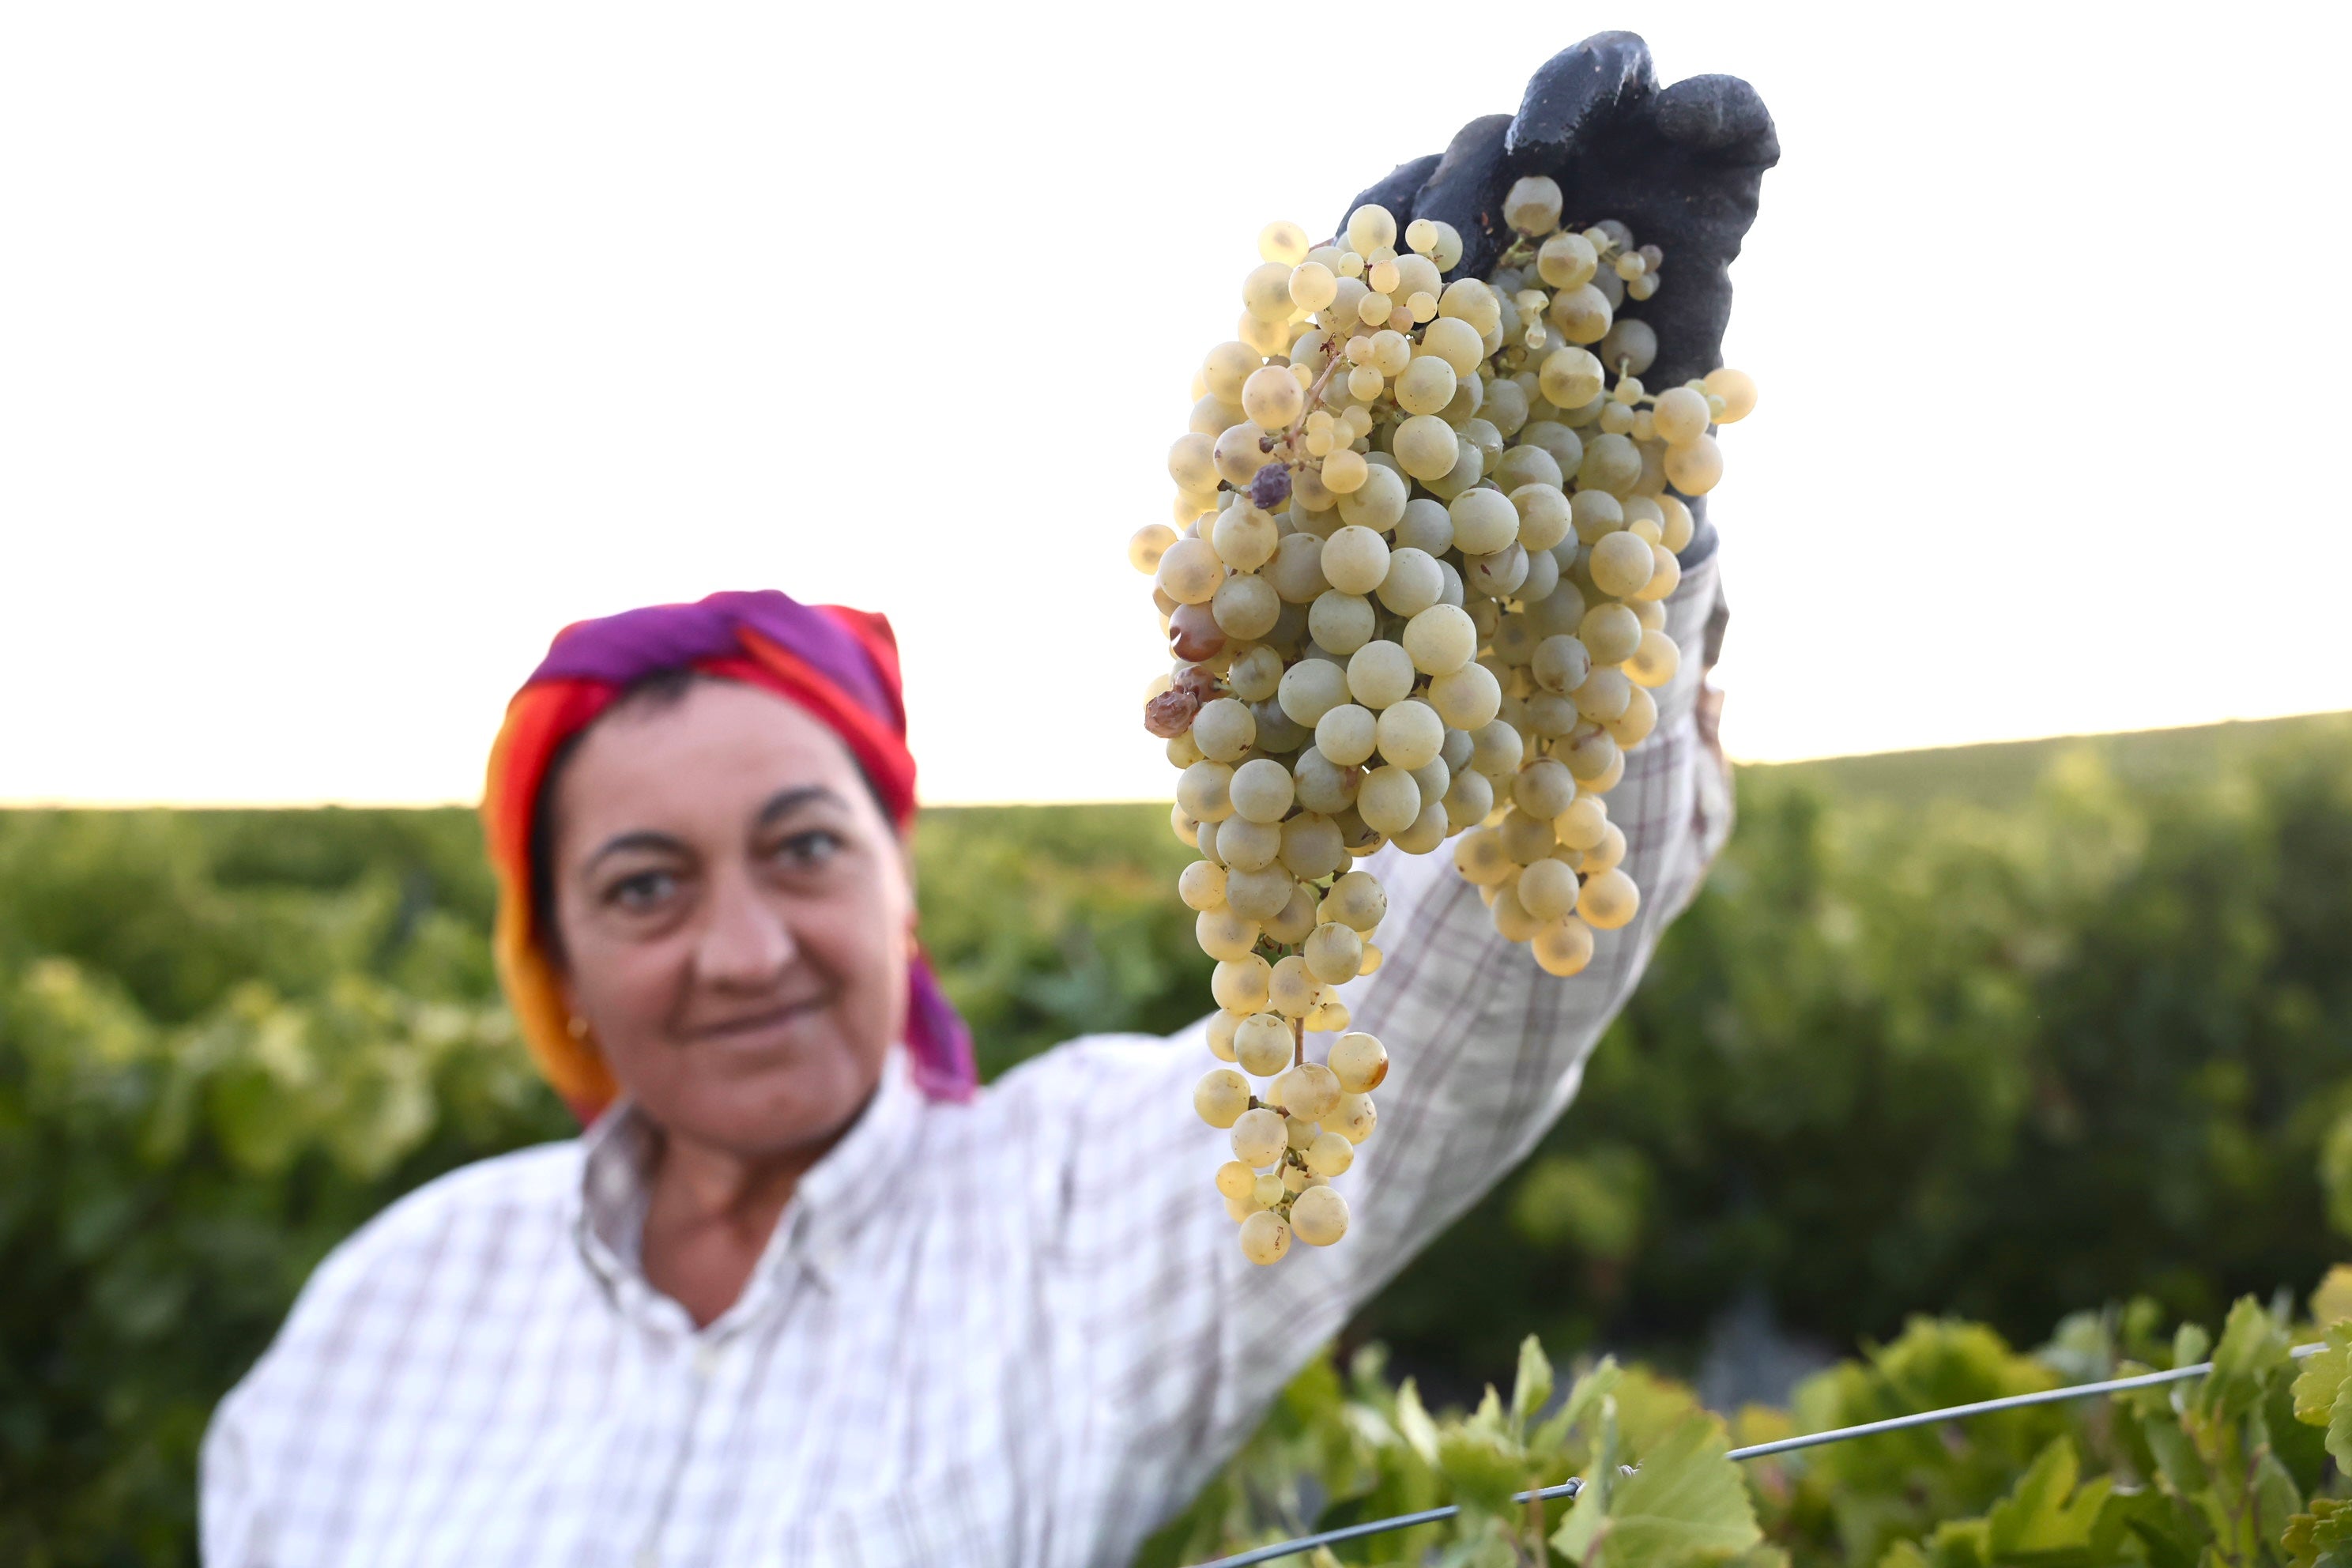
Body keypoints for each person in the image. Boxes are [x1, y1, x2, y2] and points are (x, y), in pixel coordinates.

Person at [200, 32, 1770, 1568]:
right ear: (552, 955)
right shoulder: (380, 1311)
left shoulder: (1071, 1214)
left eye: (804, 848)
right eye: (644, 885)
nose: (743, 949)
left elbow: (1471, 997)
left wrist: (1610, 495)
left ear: (902, 880)